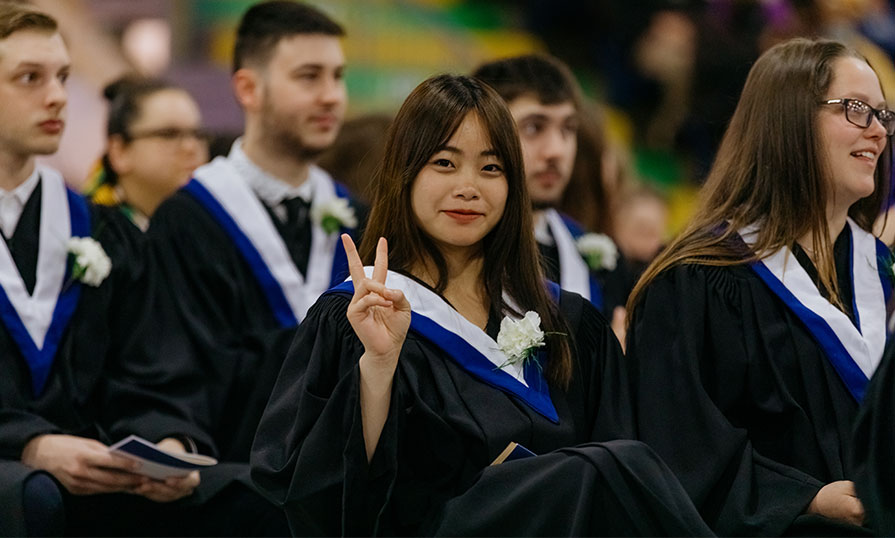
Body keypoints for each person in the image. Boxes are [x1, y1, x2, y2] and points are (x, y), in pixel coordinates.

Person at [250, 73, 713, 536]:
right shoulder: (360, 317)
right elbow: (327, 502)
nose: (469, 187)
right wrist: (378, 366)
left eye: (491, 168)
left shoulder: (566, 320)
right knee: (602, 469)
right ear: (404, 172)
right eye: (445, 164)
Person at [625, 37, 895, 536]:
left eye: (884, 115)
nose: (878, 131)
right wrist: (805, 500)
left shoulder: (882, 272)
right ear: (788, 119)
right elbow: (676, 451)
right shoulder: (696, 282)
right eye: (857, 110)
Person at [0, 5, 228, 535]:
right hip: (17, 477)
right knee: (32, 496)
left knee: (249, 495)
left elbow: (150, 369)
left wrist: (166, 443)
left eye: (62, 76)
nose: (58, 96)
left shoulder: (103, 230)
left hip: (96, 465)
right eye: (30, 78)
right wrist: (28, 444)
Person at [148, 0, 365, 463]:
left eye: (338, 76)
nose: (332, 96)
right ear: (248, 88)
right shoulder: (189, 219)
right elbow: (179, 370)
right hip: (234, 473)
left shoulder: (360, 218)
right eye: (310, 76)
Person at [472, 54, 632, 331]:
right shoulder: (458, 252)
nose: (557, 150)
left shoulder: (605, 264)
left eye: (568, 128)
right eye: (534, 127)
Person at [85, 76, 208, 230]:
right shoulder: (92, 230)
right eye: (169, 134)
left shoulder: (209, 228)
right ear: (120, 152)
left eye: (197, 134)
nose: (191, 147)